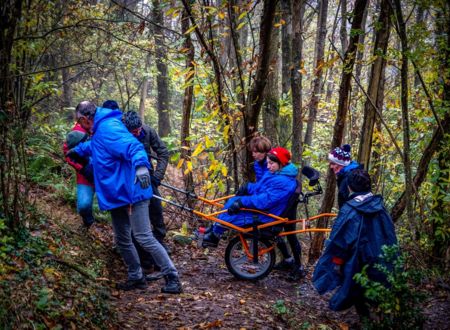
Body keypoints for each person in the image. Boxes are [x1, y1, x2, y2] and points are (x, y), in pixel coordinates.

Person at [69, 101, 181, 293]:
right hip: (117, 194)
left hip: (132, 191)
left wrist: (141, 167)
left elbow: (134, 147)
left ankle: (172, 277)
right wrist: (78, 150)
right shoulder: (100, 129)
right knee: (122, 238)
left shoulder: (108, 128)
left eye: (80, 122)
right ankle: (136, 277)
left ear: (84, 119)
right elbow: (99, 147)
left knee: (144, 236)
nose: (81, 126)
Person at [312, 169, 397, 317]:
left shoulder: (350, 209)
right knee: (367, 289)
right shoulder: (380, 206)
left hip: (357, 259)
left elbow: (340, 240)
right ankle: (371, 317)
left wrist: (337, 262)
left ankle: (367, 319)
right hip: (380, 257)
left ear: (349, 187)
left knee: (355, 286)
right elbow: (390, 235)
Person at [202, 147, 298, 247]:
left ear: (281, 163)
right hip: (266, 209)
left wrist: (242, 202)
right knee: (233, 201)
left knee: (232, 214)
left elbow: (265, 201)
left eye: (271, 163)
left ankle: (215, 235)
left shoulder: (283, 181)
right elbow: (260, 188)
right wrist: (248, 187)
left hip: (267, 215)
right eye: (267, 163)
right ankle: (214, 230)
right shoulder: (276, 173)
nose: (268, 166)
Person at [121, 110, 170, 253]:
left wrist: (157, 177)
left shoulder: (148, 131)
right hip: (128, 178)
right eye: (133, 132)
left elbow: (163, 152)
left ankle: (159, 241)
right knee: (132, 213)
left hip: (147, 176)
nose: (136, 134)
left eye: (138, 131)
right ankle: (134, 245)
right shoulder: (120, 135)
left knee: (156, 208)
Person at [63, 116, 95, 227]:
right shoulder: (75, 133)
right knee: (83, 205)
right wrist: (82, 168)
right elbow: (67, 153)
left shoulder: (102, 128)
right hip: (84, 174)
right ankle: (88, 221)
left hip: (104, 173)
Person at [328, 144, 362, 208]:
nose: (331, 167)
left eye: (333, 163)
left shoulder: (350, 179)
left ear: (342, 164)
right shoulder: (354, 173)